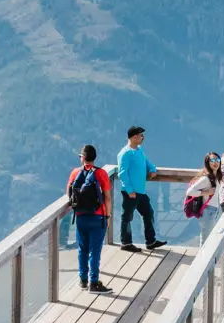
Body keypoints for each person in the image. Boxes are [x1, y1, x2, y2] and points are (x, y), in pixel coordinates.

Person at [66, 144, 113, 292]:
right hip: (98, 218)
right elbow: (107, 198)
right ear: (95, 158)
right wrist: (108, 216)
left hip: (80, 217)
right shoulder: (102, 174)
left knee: (83, 249)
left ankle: (83, 280)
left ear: (82, 158)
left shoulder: (75, 173)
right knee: (95, 251)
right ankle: (94, 282)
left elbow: (69, 192)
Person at [115, 125, 163, 252]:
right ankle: (126, 243)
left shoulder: (139, 150)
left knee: (148, 213)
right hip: (130, 192)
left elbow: (146, 162)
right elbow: (122, 173)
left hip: (140, 191)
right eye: (141, 135)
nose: (143, 138)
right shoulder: (125, 153)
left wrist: (152, 169)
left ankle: (150, 241)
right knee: (127, 217)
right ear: (135, 137)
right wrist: (130, 190)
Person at [183, 153, 222, 242]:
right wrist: (206, 192)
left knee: (209, 238)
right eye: (212, 160)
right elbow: (189, 191)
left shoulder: (216, 177)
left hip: (214, 210)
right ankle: (203, 255)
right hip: (208, 211)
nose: (215, 162)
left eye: (217, 160)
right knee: (206, 239)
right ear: (208, 163)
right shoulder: (206, 179)